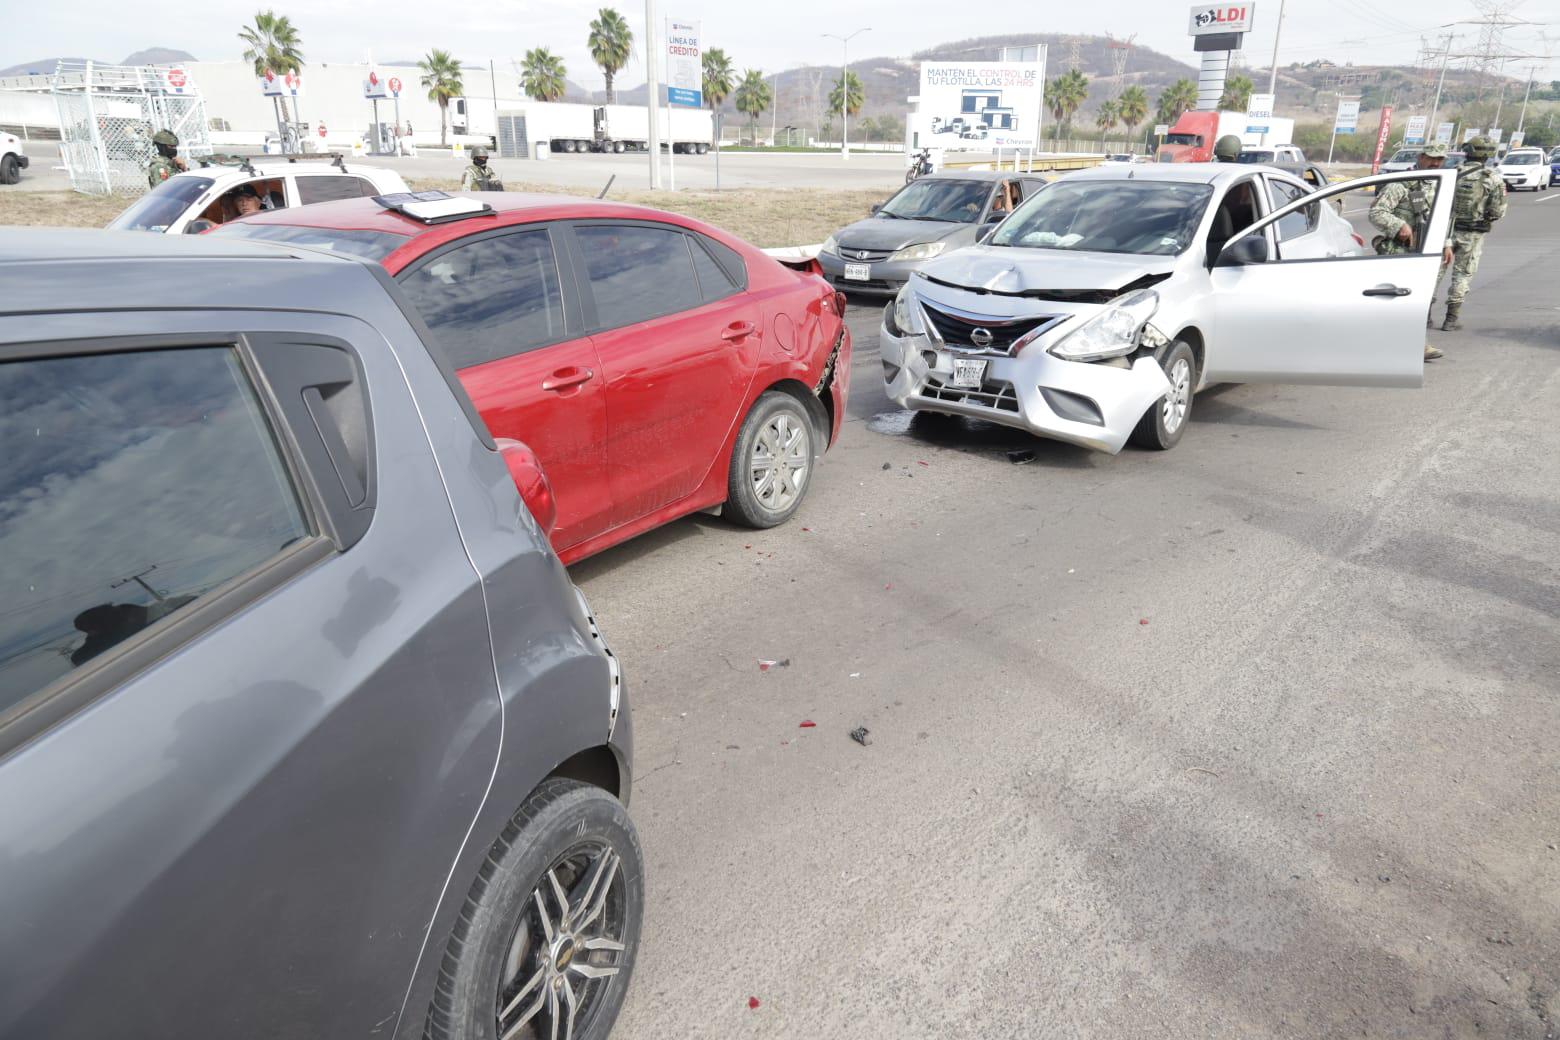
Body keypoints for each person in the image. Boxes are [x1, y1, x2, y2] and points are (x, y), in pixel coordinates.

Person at [1369, 140, 1454, 360]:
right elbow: (1377, 213)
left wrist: (1446, 243)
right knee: (1395, 303)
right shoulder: (1401, 184)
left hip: (1426, 253)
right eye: (1431, 158)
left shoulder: (1439, 185)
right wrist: (1399, 226)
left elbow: (1441, 219)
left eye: (1439, 159)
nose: (1435, 163)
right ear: (1421, 157)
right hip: (1399, 253)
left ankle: (1414, 344)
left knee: (1421, 300)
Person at [1434, 135, 1507, 332]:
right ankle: (1451, 319)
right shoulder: (1492, 178)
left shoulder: (1452, 174)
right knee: (1462, 275)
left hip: (1444, 231)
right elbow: (1497, 211)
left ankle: (1424, 315)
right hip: (1472, 234)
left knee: (1435, 273)